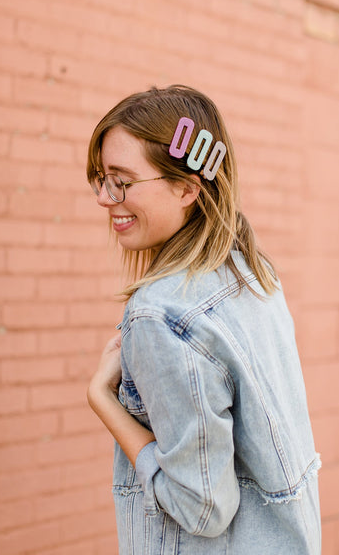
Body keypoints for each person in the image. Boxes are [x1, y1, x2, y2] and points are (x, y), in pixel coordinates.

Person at [86, 85, 321, 555]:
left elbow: (201, 508)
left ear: (189, 188)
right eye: (101, 178)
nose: (104, 197)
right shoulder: (252, 272)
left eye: (122, 181)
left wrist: (102, 399)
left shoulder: (162, 314)